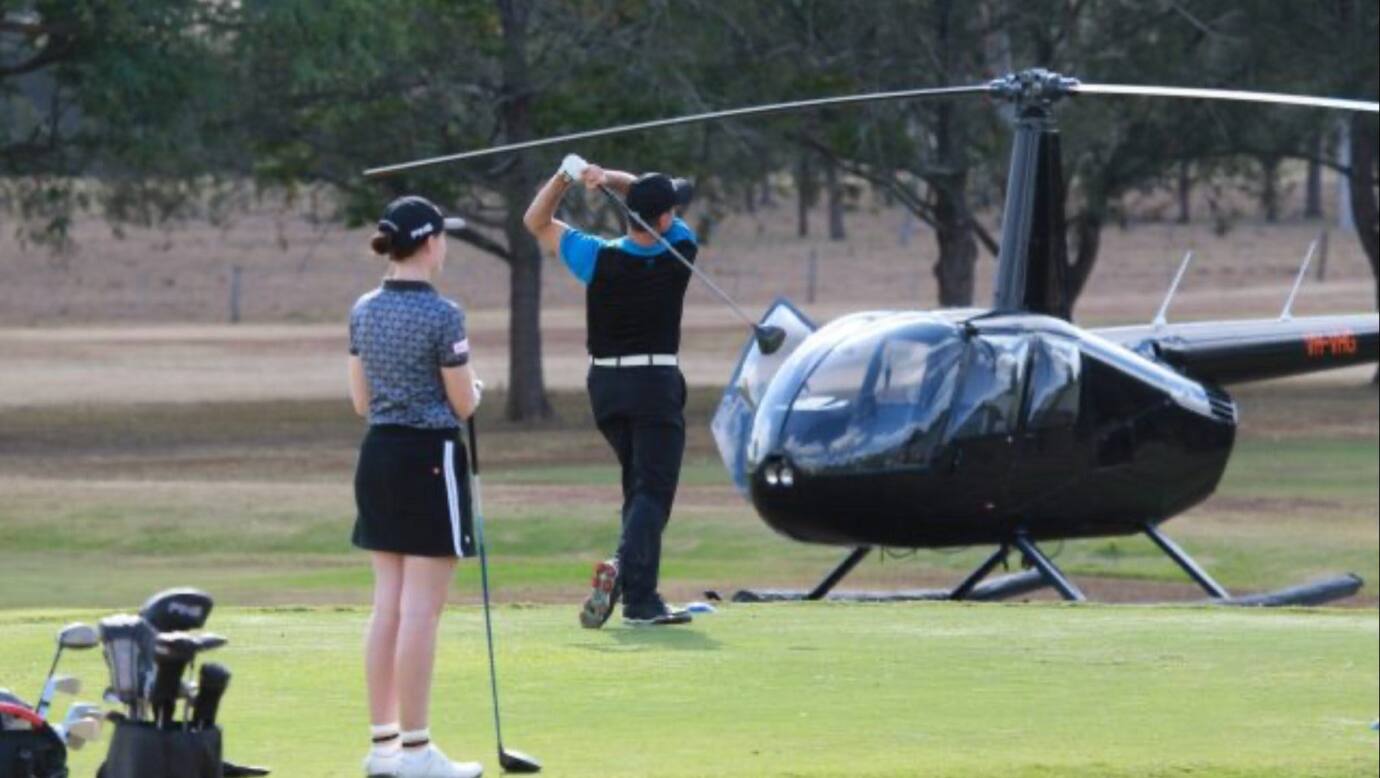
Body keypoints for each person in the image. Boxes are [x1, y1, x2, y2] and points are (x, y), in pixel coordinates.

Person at [523, 154, 696, 628]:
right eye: (672, 209)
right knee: (654, 493)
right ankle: (622, 568)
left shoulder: (596, 255)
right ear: (663, 219)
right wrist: (612, 178)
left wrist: (568, 176)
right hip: (655, 385)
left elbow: (534, 220)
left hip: (605, 387)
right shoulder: (680, 249)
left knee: (638, 490)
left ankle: (642, 601)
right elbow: (642, 192)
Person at [348, 195, 484, 778]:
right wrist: (478, 387)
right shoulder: (443, 315)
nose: (446, 245)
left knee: (389, 606)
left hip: (378, 456)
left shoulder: (363, 309)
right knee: (421, 613)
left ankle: (385, 749)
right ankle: (417, 752)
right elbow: (462, 402)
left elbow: (361, 401)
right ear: (429, 243)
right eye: (443, 237)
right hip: (429, 458)